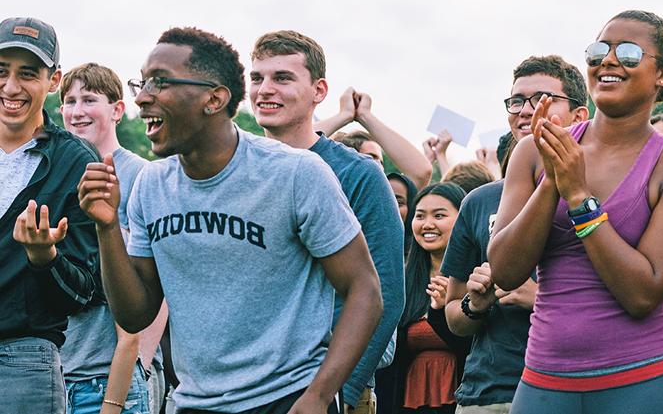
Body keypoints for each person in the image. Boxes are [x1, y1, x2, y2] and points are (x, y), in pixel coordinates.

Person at [78, 27, 382, 414]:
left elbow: (365, 290)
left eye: (160, 82)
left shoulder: (296, 174)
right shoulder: (151, 185)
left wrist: (320, 396)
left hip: (285, 398)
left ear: (214, 98)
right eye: (142, 83)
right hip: (191, 402)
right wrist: (106, 229)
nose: (141, 97)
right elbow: (135, 314)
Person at [489, 10, 663, 413]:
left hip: (647, 381)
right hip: (543, 380)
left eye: (628, 53)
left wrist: (579, 197)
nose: (607, 61)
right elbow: (505, 270)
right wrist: (553, 181)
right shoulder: (534, 152)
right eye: (598, 51)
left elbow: (642, 294)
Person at [249, 29, 405, 414]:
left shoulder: (357, 174)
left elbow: (385, 291)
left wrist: (337, 392)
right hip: (247, 387)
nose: (265, 89)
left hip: (321, 387)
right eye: (257, 78)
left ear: (319, 91)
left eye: (282, 78)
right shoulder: (238, 170)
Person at [442, 55, 589, 414]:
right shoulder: (479, 201)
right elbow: (453, 317)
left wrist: (537, 296)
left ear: (579, 115)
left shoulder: (605, 189)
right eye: (516, 101)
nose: (526, 110)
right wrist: (475, 304)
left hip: (576, 386)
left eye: (541, 99)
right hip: (490, 392)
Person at [0, 16, 100, 414]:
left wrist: (46, 259)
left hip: (23, 360)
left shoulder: (75, 162)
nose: (10, 87)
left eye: (28, 73)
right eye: (1, 71)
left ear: (53, 80)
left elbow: (81, 292)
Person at [59, 63, 152, 414]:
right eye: (69, 101)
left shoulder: (142, 176)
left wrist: (141, 362)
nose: (77, 110)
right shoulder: (55, 173)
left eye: (89, 99)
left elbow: (154, 281)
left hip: (108, 376)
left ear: (117, 110)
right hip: (56, 373)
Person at [398, 182, 470, 414]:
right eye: (420, 216)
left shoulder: (477, 276)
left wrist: (443, 312)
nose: (428, 224)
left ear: (463, 219)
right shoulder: (403, 279)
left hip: (465, 396)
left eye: (439, 215)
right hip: (409, 399)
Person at [316, 87, 433, 189]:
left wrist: (365, 115)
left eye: (380, 162)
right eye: (371, 158)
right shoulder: (324, 192)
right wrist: (344, 115)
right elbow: (297, 150)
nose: (379, 166)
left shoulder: (384, 198)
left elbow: (422, 173)